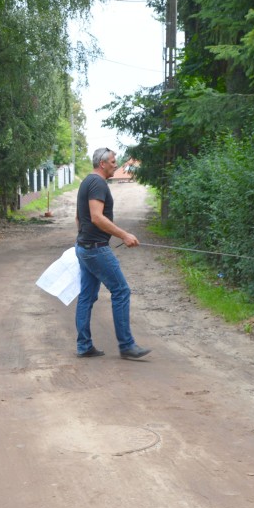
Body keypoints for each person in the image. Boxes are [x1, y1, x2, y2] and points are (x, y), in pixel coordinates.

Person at [74, 147, 150, 359]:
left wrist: (82, 239)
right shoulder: (98, 183)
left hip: (84, 247)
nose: (117, 165)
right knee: (121, 291)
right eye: (113, 161)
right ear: (102, 164)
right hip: (96, 249)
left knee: (87, 297)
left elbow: (79, 217)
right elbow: (96, 217)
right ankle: (126, 345)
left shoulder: (86, 182)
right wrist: (124, 235)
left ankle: (84, 346)